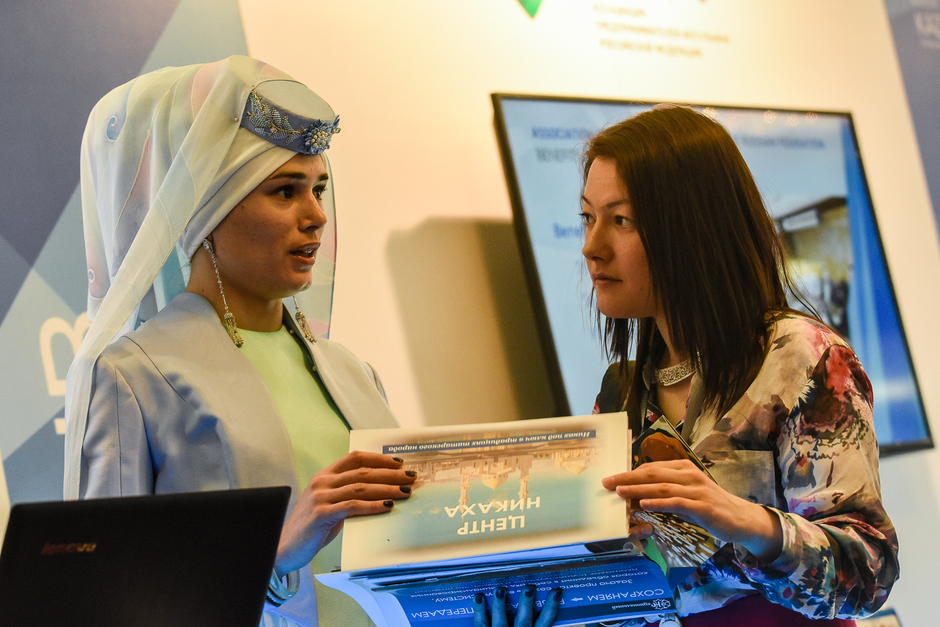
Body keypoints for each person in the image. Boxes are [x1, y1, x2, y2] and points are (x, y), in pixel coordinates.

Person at [63, 56, 415, 627]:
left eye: (318, 189)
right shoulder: (135, 376)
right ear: (207, 209)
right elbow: (110, 594)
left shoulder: (354, 373)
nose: (316, 216)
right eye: (285, 191)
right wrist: (277, 557)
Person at [582, 106, 899, 625]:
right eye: (588, 218)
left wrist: (745, 520)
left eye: (621, 221)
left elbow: (868, 574)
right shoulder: (620, 394)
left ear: (693, 228)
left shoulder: (802, 358)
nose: (591, 248)